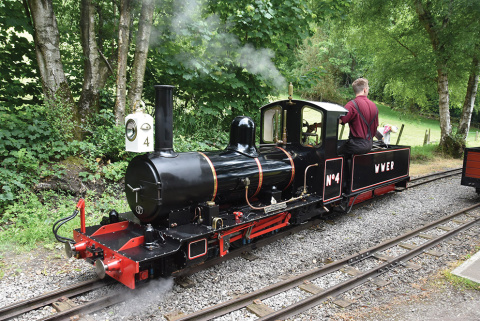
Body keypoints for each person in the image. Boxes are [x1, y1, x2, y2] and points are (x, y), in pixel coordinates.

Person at [338, 78, 383, 156]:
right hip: (369, 145)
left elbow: (340, 121)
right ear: (365, 90)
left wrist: (319, 125)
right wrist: (380, 138)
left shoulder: (351, 105)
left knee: (332, 153)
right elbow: (375, 128)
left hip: (355, 146)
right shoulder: (374, 106)